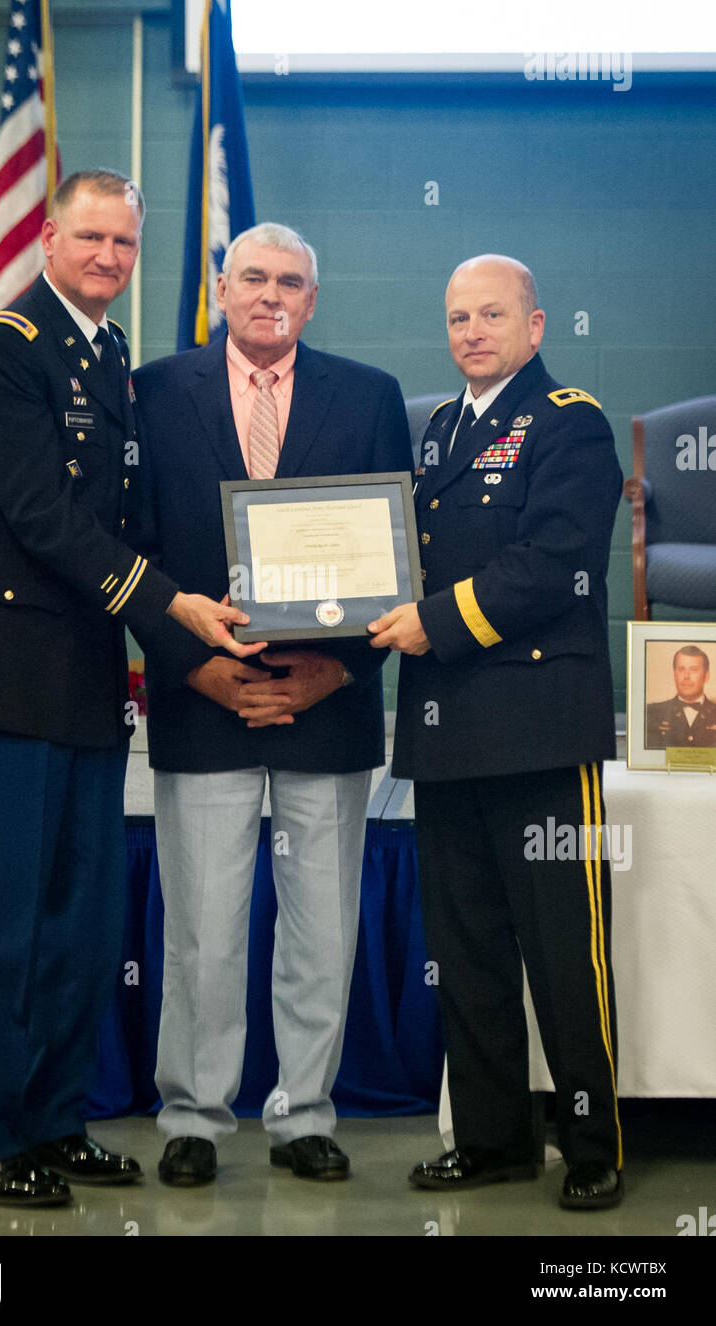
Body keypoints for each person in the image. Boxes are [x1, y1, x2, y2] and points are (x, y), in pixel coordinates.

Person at [0, 169, 260, 1207]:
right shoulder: (4, 350)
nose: (110, 257)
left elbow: (122, 519)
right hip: (4, 676)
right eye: (91, 239)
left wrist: (201, 603)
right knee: (2, 921)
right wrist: (172, 607)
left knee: (78, 920)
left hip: (85, 682)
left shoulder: (110, 357)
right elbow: (43, 519)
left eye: (124, 242)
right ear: (48, 242)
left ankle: (54, 1119)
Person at [132, 223, 412, 1186]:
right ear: (222, 287)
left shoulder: (369, 396)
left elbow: (398, 562)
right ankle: (195, 1117)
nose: (271, 294)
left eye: (291, 280)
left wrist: (338, 673)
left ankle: (304, 1115)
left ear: (313, 297)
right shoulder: (154, 390)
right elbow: (132, 551)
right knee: (204, 926)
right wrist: (189, 666)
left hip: (326, 704)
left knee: (322, 926)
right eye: (253, 277)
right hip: (203, 701)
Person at [369, 254, 625, 1210]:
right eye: (457, 317)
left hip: (540, 732)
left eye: (491, 314)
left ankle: (594, 1144)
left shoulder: (572, 423)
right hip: (446, 731)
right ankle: (491, 1141)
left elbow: (553, 564)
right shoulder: (439, 432)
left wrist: (431, 622)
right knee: (467, 949)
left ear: (536, 325)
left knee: (565, 954)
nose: (471, 331)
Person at [646, 646, 716, 748]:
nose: (686, 676)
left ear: (706, 676)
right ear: (675, 674)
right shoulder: (652, 713)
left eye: (694, 670)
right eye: (681, 669)